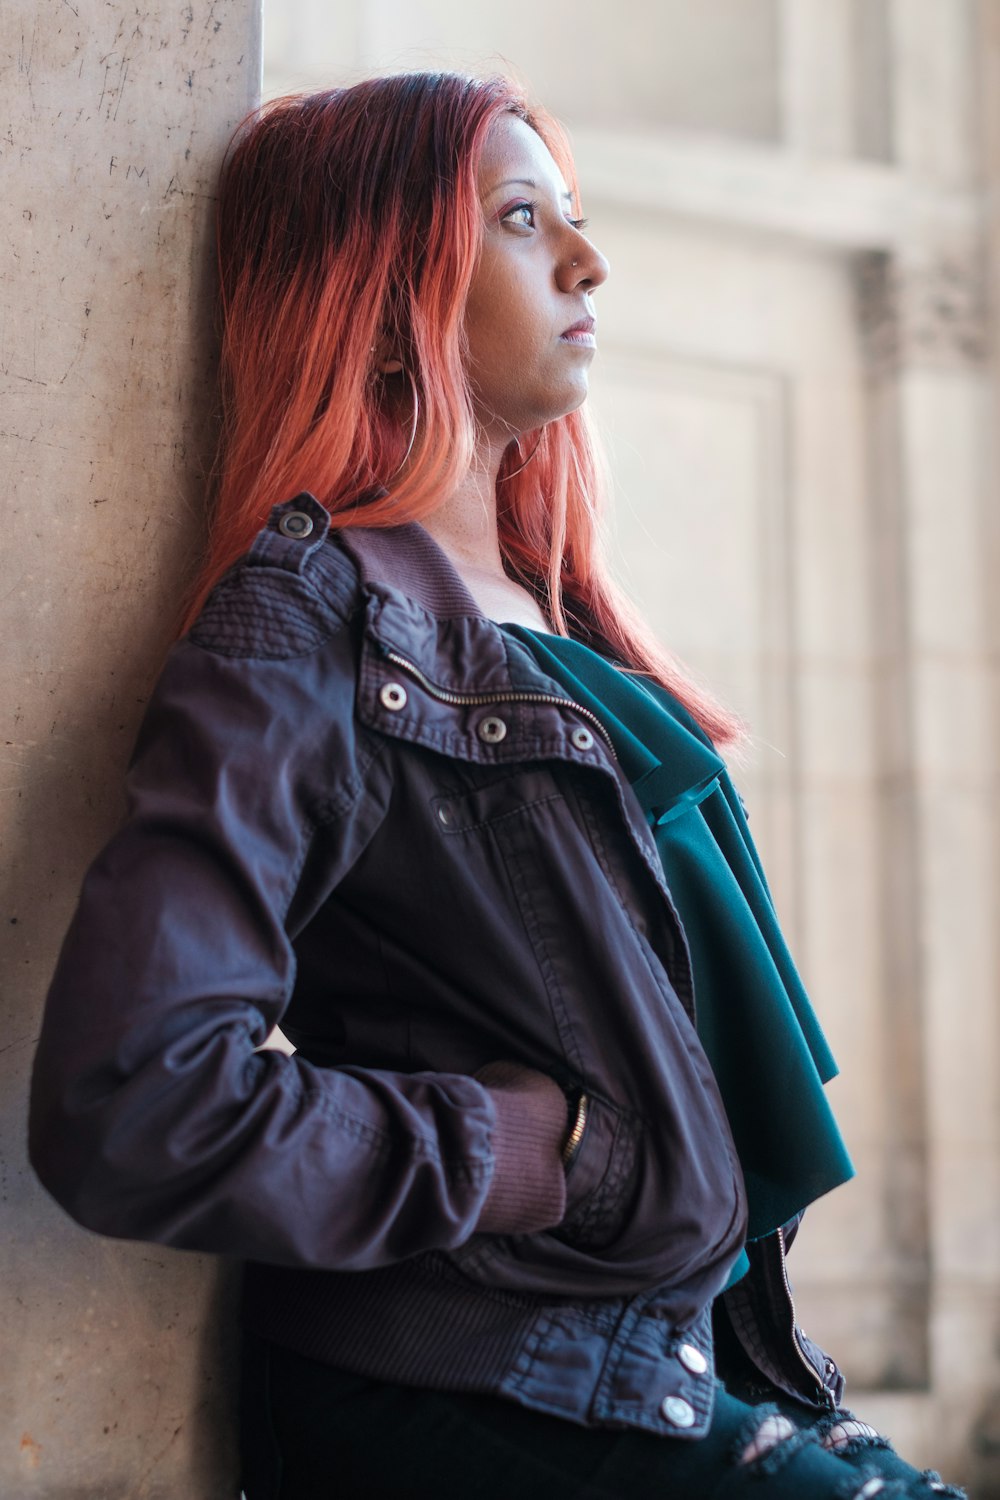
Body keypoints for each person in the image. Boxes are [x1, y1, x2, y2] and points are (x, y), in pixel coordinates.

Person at [29, 72, 963, 1500]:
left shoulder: (563, 624)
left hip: (685, 1368)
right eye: (525, 221)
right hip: (473, 1387)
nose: (588, 261)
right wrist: (531, 1150)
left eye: (574, 218)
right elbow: (137, 1098)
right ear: (383, 278)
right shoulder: (308, 617)